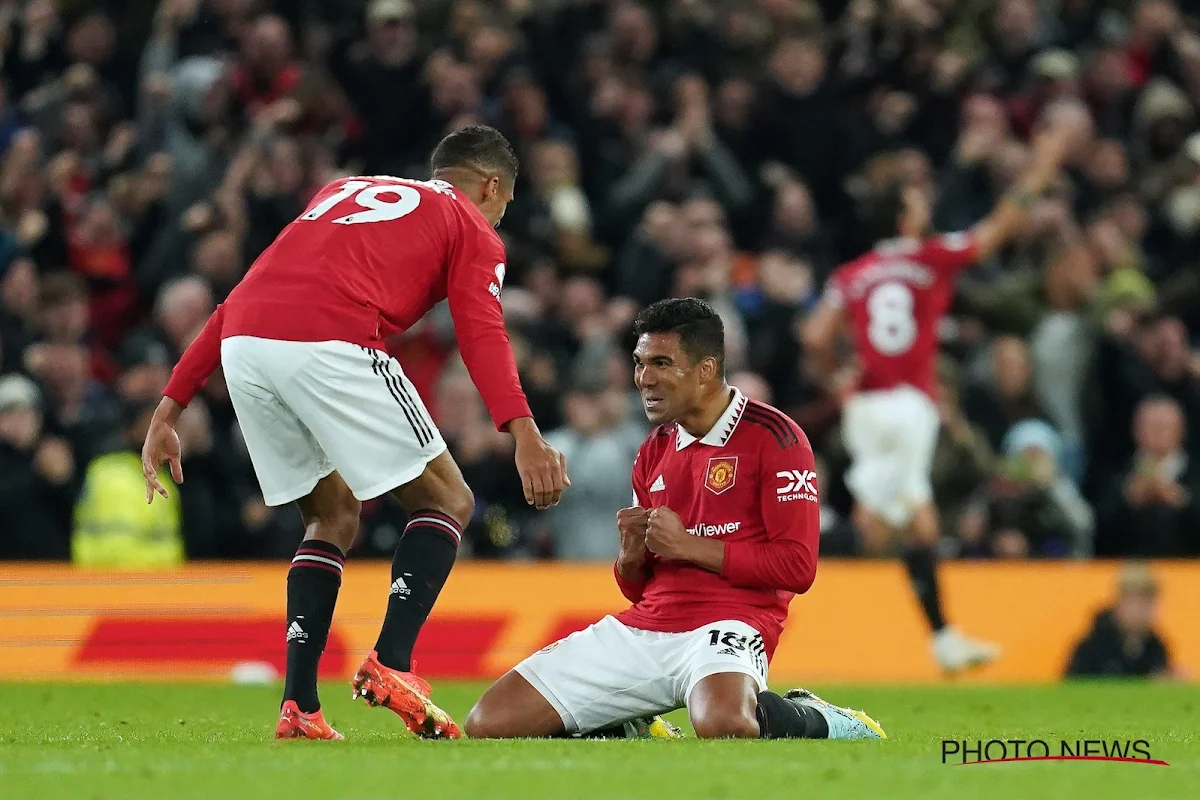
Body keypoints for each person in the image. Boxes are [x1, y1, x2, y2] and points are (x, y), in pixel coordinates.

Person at [140, 125, 569, 741]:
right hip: (329, 340)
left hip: (246, 348)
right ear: (493, 185)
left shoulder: (345, 189)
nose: (502, 214)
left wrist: (169, 407)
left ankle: (300, 707)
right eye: (505, 201)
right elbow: (481, 331)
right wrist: (523, 432)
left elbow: (240, 295)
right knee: (448, 499)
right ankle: (392, 663)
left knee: (332, 515)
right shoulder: (472, 227)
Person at [464, 298, 885, 741]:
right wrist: (630, 557)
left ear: (705, 370)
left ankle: (822, 718)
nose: (645, 378)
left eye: (662, 363)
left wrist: (686, 545)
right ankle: (628, 722)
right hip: (648, 626)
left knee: (724, 724)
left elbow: (798, 568)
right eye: (640, 363)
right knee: (490, 723)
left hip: (731, 625)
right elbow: (637, 589)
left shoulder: (776, 437)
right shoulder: (653, 450)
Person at [801, 108, 1084, 672]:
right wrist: (1044, 164)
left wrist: (838, 377)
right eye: (917, 202)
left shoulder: (851, 274)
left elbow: (814, 336)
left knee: (904, 521)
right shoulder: (929, 259)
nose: (925, 207)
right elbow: (998, 229)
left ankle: (941, 638)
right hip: (907, 404)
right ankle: (770, 592)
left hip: (865, 407)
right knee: (891, 527)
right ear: (905, 218)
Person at [1065, 563, 1176, 679]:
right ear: (1119, 603)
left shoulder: (1156, 648)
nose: (1140, 611)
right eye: (1134, 602)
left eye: (1147, 603)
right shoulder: (1091, 648)